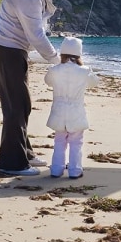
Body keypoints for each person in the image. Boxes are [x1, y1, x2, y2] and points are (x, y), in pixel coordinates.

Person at [0, 0, 109, 177]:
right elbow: (36, 36)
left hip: (13, 49)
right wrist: (59, 61)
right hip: (7, 50)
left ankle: (24, 152)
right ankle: (11, 164)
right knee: (16, 106)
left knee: (22, 104)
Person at [44, 36, 98, 178]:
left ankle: (56, 169)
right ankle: (75, 170)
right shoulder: (85, 71)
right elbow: (94, 83)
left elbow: (48, 81)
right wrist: (85, 69)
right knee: (76, 142)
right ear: (78, 54)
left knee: (59, 141)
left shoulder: (55, 70)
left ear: (62, 53)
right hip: (76, 111)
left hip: (59, 111)